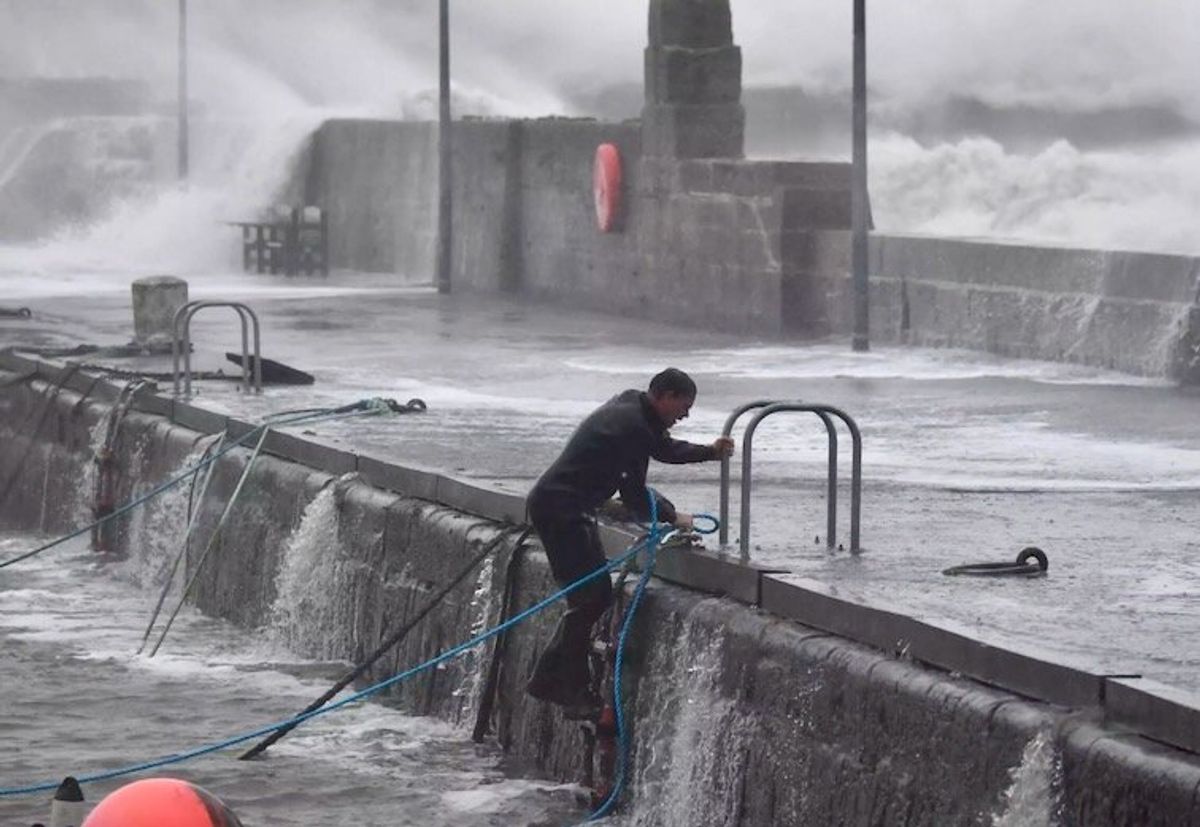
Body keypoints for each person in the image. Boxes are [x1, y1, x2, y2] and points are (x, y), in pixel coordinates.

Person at [524, 367, 735, 717]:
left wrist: (708, 455)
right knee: (590, 598)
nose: (685, 415)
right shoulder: (631, 425)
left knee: (591, 597)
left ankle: (554, 680)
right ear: (664, 396)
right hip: (562, 510)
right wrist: (672, 514)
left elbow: (655, 454)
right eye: (683, 406)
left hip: (567, 507)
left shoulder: (631, 411)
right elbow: (637, 489)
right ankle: (562, 686)